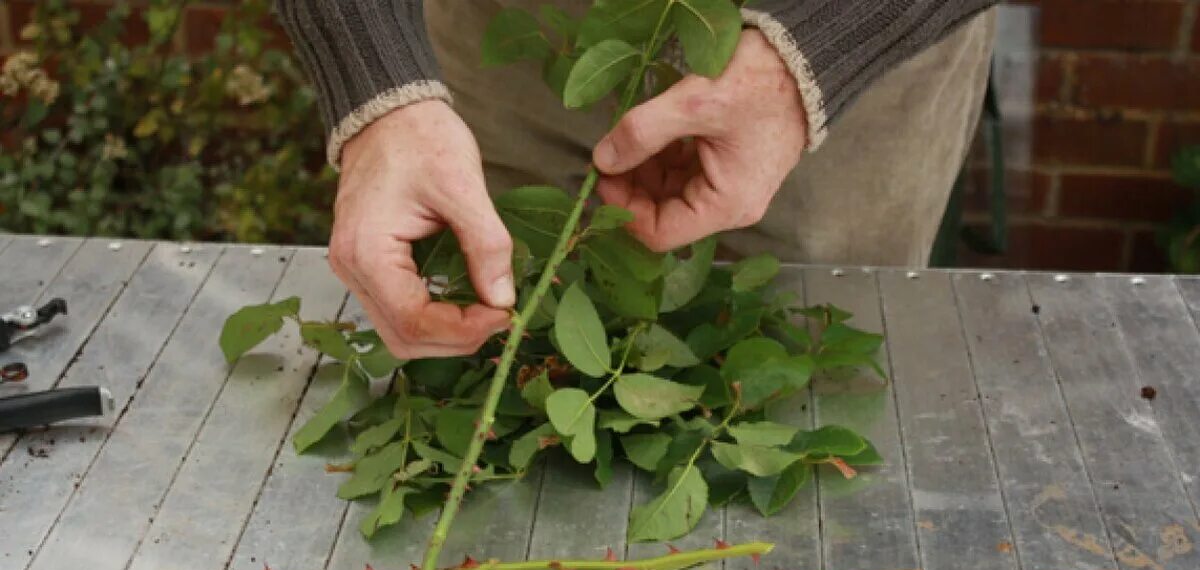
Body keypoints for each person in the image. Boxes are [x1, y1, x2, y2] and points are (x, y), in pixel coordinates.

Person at [276, 1, 997, 358]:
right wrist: (374, 83)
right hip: (523, 34)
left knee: (806, 381)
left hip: (846, 42)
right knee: (488, 344)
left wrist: (820, 56)